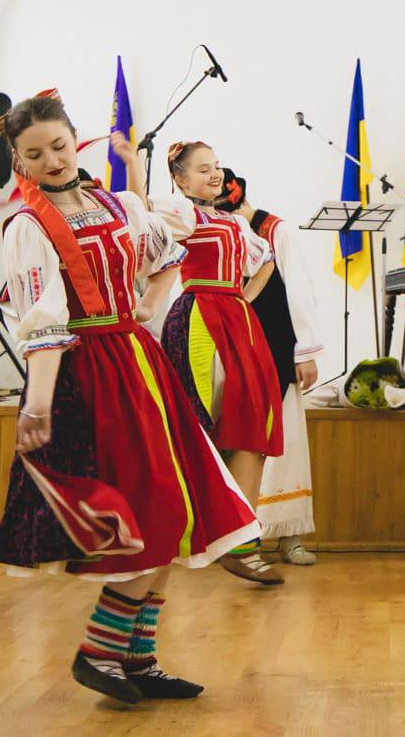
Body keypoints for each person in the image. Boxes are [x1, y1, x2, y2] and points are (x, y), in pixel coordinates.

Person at [0, 92, 259, 702]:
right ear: (20, 161)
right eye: (35, 154)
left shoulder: (117, 203)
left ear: (73, 140)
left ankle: (136, 658)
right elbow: (44, 321)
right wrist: (37, 405)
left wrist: (145, 303)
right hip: (86, 376)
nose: (52, 160)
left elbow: (168, 256)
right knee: (148, 510)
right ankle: (98, 650)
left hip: (139, 362)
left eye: (59, 146)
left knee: (178, 504)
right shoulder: (28, 226)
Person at [154, 141, 285, 586]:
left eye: (217, 168)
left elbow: (266, 259)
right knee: (203, 421)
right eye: (203, 169)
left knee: (252, 422)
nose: (214, 176)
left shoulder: (232, 221)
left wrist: (242, 299)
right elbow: (147, 236)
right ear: (180, 179)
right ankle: (189, 532)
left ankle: (242, 541)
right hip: (200, 321)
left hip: (238, 321)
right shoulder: (180, 214)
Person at [215, 169, 323, 566]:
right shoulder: (214, 229)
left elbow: (299, 289)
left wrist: (305, 351)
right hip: (232, 346)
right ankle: (238, 537)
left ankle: (289, 533)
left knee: (287, 440)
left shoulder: (277, 230)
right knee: (238, 441)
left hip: (277, 347)